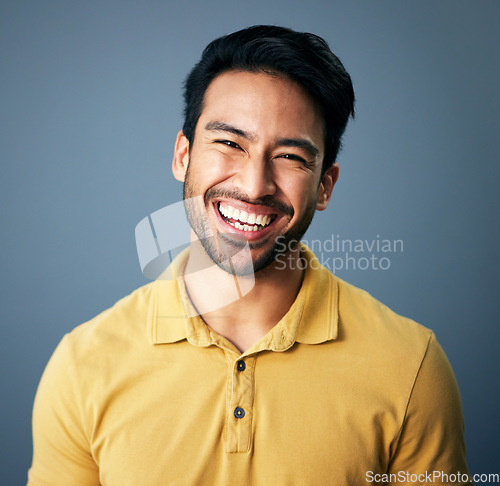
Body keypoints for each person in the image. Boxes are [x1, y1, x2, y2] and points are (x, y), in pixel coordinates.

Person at [28, 25, 471, 485]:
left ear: (325, 186)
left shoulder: (411, 366)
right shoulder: (82, 366)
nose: (255, 185)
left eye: (290, 157)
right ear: (183, 154)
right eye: (229, 143)